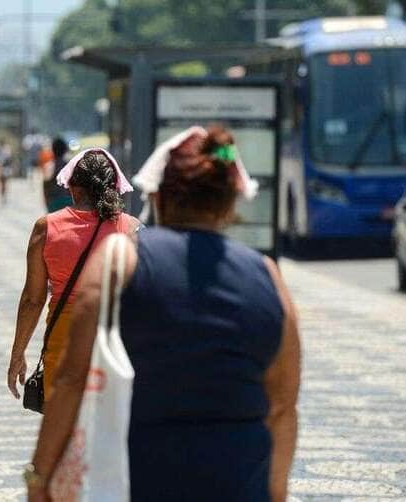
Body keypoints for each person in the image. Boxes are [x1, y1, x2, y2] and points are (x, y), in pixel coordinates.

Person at [25, 125, 301, 501]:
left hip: (139, 479)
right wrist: (276, 493)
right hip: (238, 482)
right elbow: (283, 406)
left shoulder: (119, 262)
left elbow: (72, 379)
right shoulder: (268, 276)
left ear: (157, 194)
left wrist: (40, 478)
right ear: (231, 203)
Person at [7, 148, 139, 401]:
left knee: (62, 419)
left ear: (73, 188)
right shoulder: (132, 229)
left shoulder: (46, 228)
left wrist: (17, 354)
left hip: (64, 340)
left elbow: (33, 300)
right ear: (113, 187)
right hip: (114, 342)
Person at [42, 137, 74, 212]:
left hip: (53, 202)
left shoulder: (49, 166)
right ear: (65, 150)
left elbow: (45, 185)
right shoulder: (70, 165)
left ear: (52, 150)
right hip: (69, 202)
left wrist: (47, 202)